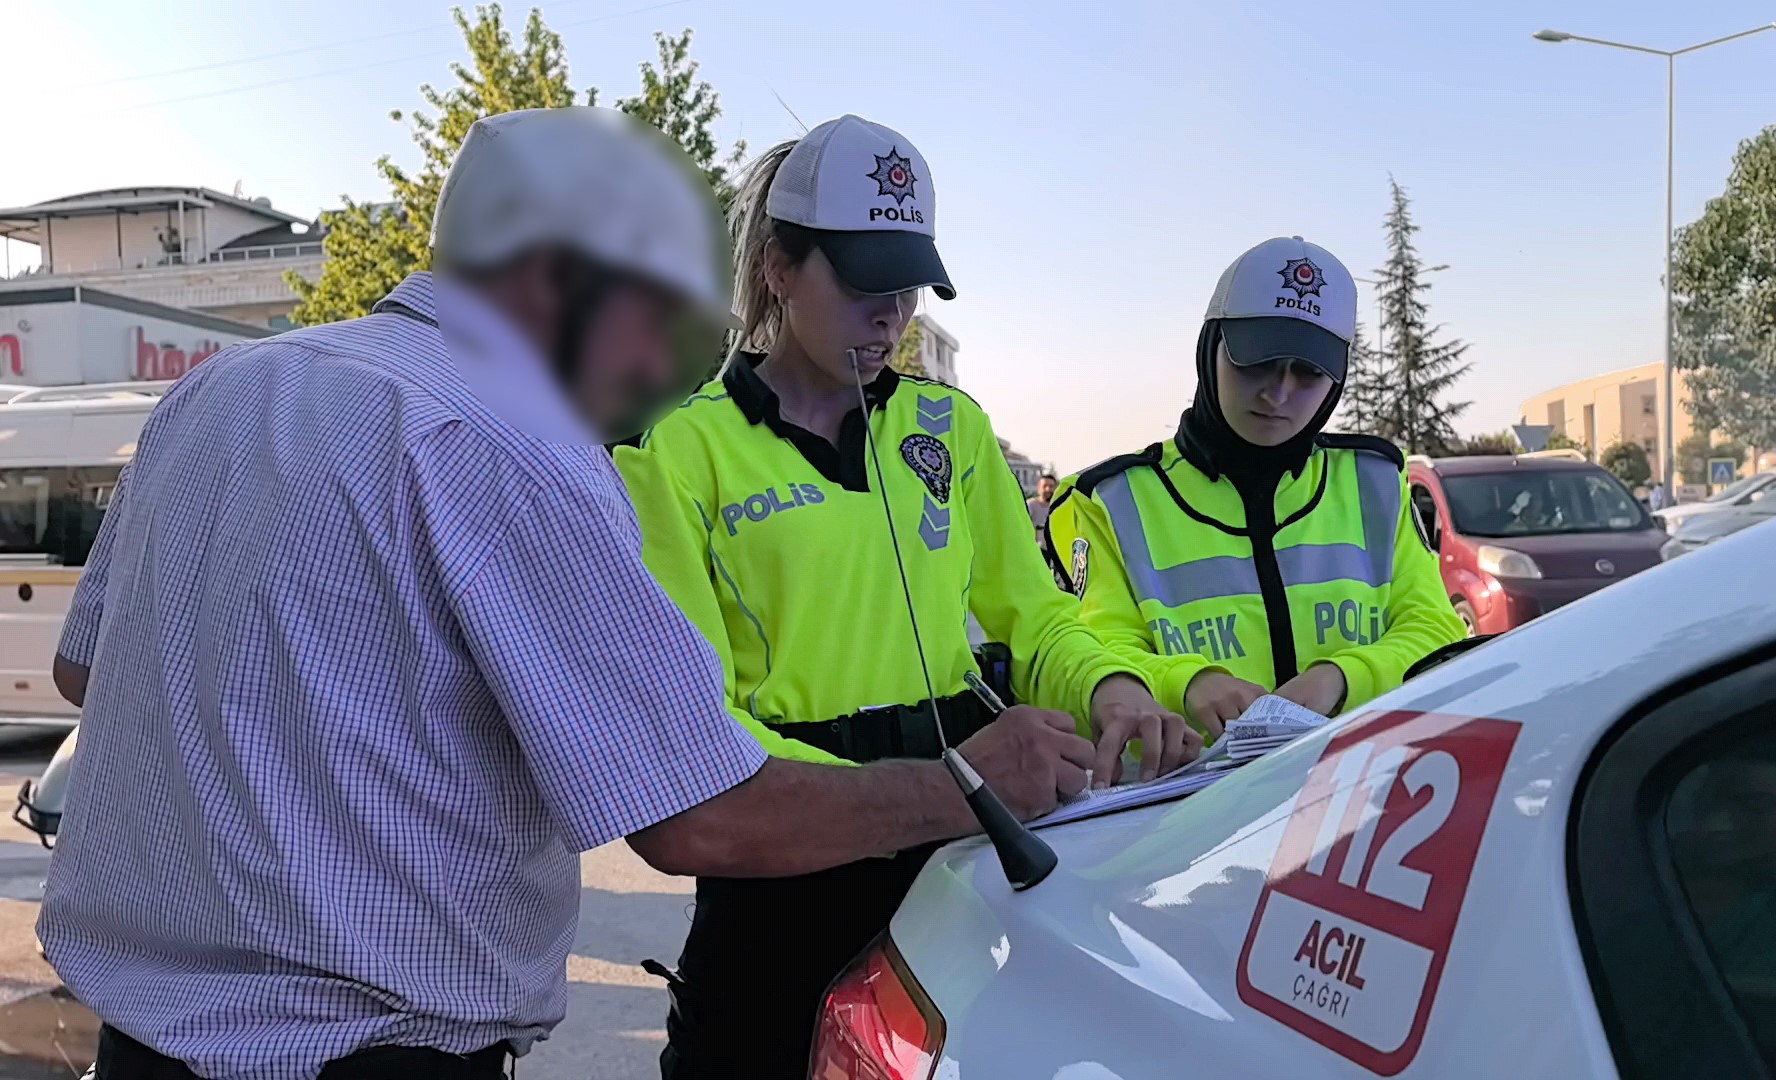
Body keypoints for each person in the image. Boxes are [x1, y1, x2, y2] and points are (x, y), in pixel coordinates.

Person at [40, 108, 1090, 1080]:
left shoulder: (219, 392)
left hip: (138, 1046)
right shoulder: (519, 446)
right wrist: (963, 790)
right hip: (368, 1051)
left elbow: (86, 669)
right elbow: (696, 816)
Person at [615, 114, 1192, 1079]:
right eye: (863, 281)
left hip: (961, 860)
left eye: (909, 284)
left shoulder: (951, 430)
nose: (892, 314)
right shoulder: (677, 449)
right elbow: (698, 723)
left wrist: (1112, 689)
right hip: (789, 878)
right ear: (777, 267)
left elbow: (1036, 617)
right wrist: (924, 794)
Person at [1046, 237, 1465, 734]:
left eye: (1309, 373)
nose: (1278, 393)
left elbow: (1435, 630)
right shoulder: (1107, 502)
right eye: (1256, 361)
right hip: (1187, 783)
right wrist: (1187, 684)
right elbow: (1082, 657)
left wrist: (1342, 679)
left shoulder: (1376, 482)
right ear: (1209, 349)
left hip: (1355, 773)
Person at [1028, 472, 1058, 543]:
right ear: (1038, 488)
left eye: (1051, 486)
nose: (1048, 489)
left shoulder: (1060, 506)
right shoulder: (1030, 505)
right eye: (1044, 486)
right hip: (1037, 548)